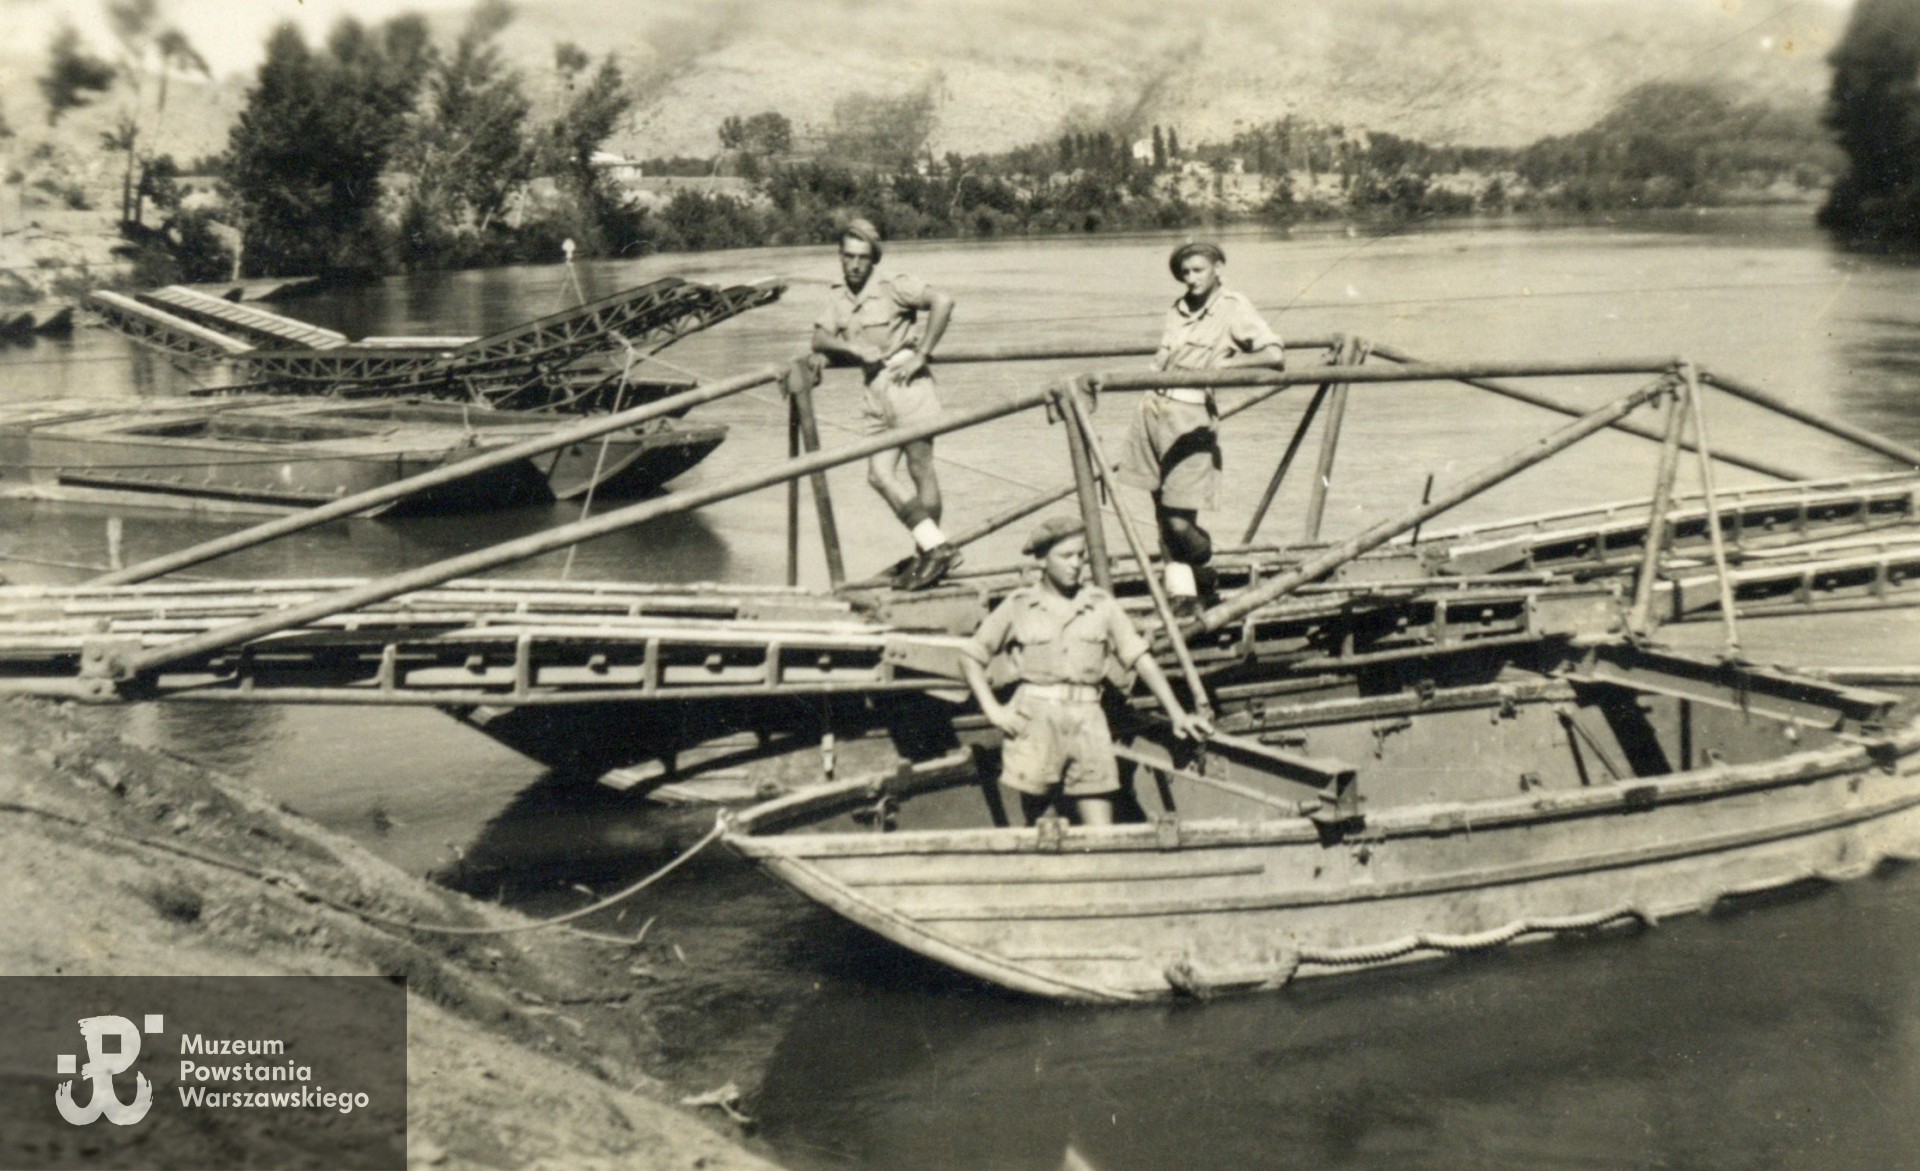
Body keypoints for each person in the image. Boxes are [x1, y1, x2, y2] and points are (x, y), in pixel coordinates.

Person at [959, 516, 1209, 826]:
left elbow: (1139, 658)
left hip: (1089, 721)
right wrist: (995, 712)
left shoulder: (1100, 605)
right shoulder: (1019, 605)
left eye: (1080, 556)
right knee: (1043, 828)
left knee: (1101, 828)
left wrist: (1177, 714)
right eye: (1066, 556)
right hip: (1036, 724)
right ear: (1042, 559)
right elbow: (971, 656)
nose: (1076, 564)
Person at [1118, 241, 1285, 618]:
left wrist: (1226, 369)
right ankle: (1183, 593)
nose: (1190, 278)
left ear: (1218, 268)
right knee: (1161, 509)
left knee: (1179, 521)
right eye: (1185, 272)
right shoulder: (1176, 310)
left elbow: (1275, 355)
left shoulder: (1233, 308)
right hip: (1152, 408)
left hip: (1189, 416)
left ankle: (1204, 566)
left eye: (1198, 270)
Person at [811, 217, 960, 590]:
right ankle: (935, 547)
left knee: (920, 470)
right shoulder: (839, 296)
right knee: (878, 474)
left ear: (873, 259)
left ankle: (929, 553)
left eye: (862, 257)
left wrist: (923, 353)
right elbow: (819, 337)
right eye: (848, 256)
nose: (854, 264)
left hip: (908, 387)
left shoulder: (894, 287)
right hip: (874, 395)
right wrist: (850, 347)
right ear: (840, 257)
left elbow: (943, 301)